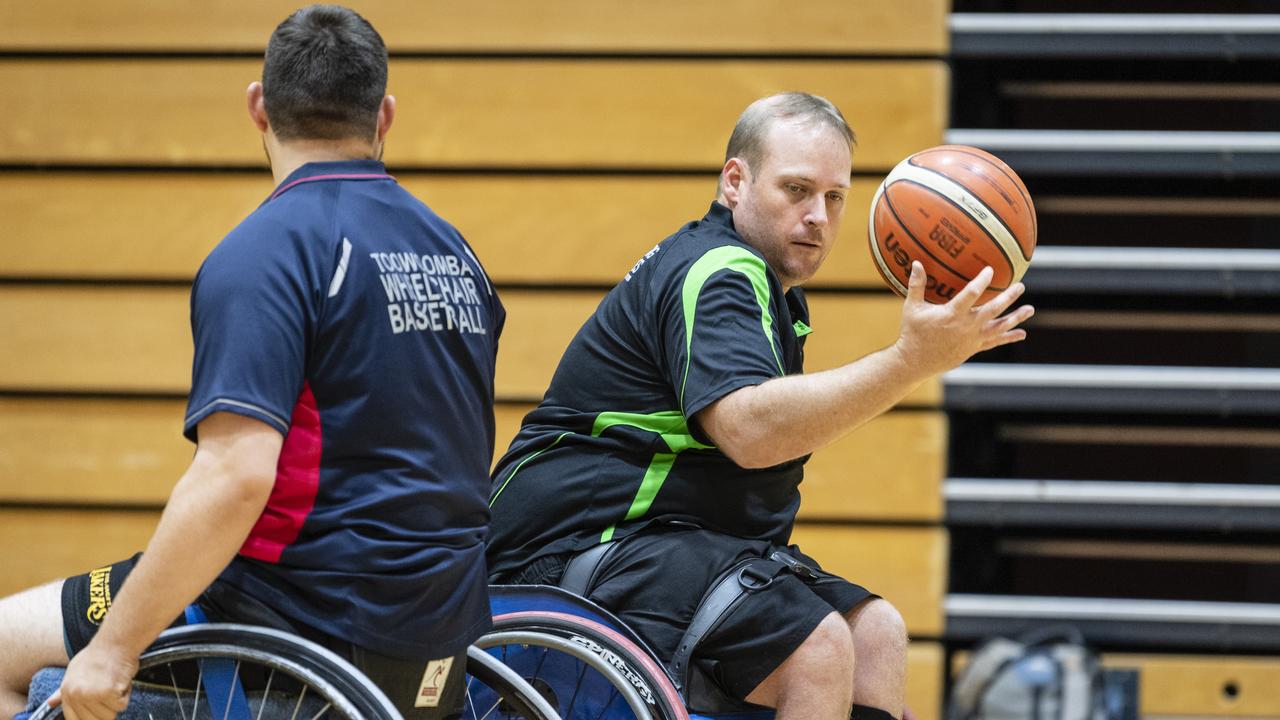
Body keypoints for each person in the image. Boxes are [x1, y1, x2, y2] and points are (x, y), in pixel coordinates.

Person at [0, 6, 504, 720]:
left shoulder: (265, 251)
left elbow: (234, 477)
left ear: (258, 106)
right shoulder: (457, 255)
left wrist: (112, 651)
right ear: (384, 116)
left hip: (300, 620)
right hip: (437, 630)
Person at [487, 92, 1033, 720]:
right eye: (796, 190)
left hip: (665, 544)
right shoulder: (717, 270)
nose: (818, 217)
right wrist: (912, 360)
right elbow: (749, 430)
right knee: (817, 647)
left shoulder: (768, 290)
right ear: (734, 182)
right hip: (569, 545)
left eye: (834, 197)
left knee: (876, 634)